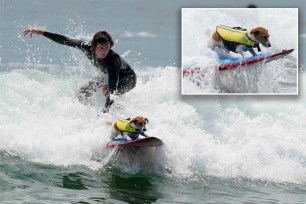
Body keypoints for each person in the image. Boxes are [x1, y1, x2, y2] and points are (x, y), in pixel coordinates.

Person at [23, 28, 137, 112]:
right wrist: (42, 33)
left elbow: (113, 92)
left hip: (128, 78)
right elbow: (65, 40)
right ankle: (84, 113)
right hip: (109, 76)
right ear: (93, 47)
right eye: (101, 47)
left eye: (107, 47)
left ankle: (114, 116)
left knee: (109, 91)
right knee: (83, 92)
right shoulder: (86, 47)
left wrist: (103, 114)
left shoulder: (113, 61)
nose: (104, 51)